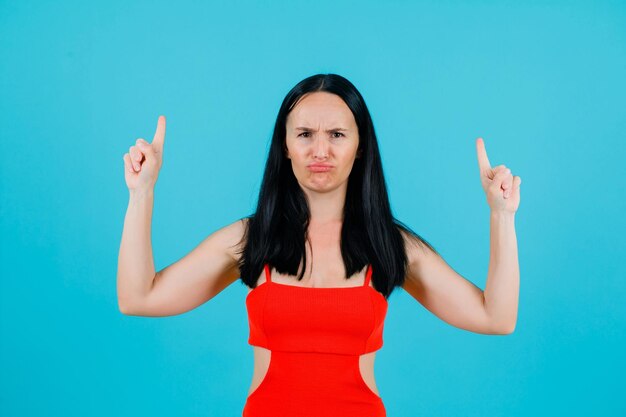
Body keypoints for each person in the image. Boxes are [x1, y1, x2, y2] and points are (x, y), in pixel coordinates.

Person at [117, 73, 521, 416]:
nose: (320, 150)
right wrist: (142, 193)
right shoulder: (251, 238)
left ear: (359, 146)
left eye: (337, 134)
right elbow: (139, 298)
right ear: (286, 145)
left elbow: (495, 318)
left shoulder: (389, 244)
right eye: (305, 134)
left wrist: (501, 216)